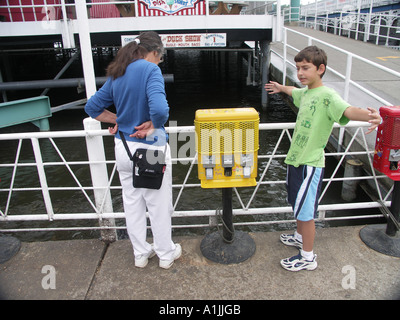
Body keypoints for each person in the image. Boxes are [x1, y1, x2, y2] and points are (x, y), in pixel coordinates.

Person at [265, 45, 381, 272]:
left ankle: (308, 257)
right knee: (297, 205)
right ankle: (300, 237)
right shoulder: (306, 93)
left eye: (305, 68)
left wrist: (371, 116)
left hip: (310, 163)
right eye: (298, 68)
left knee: (306, 212)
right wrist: (281, 87)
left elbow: (347, 110)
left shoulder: (327, 96)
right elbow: (293, 91)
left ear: (320, 69)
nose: (300, 73)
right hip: (296, 160)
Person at [85, 31, 181, 269]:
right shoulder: (151, 70)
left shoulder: (118, 73)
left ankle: (140, 253)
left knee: (132, 202)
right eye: (160, 57)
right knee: (158, 204)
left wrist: (119, 118)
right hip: (150, 148)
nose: (160, 62)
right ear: (154, 53)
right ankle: (165, 254)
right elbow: (160, 110)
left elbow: (92, 107)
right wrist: (154, 125)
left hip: (124, 147)